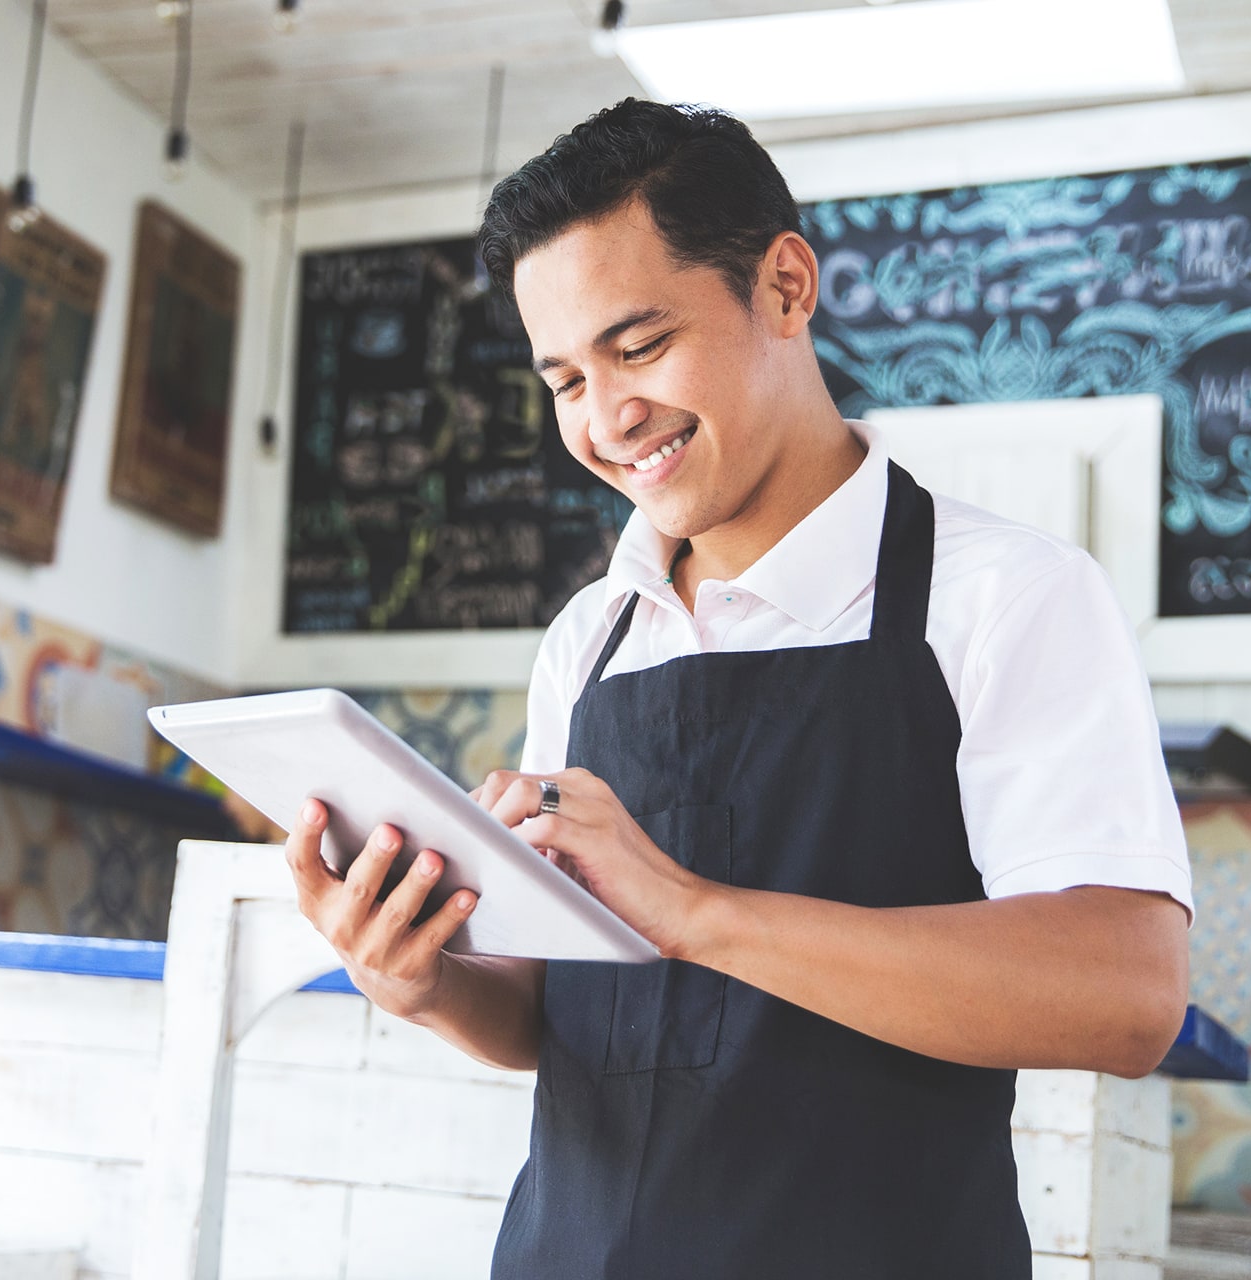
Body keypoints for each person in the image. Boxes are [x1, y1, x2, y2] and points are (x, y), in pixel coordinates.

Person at [283, 99, 1191, 1278]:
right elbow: (559, 1021)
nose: (607, 420)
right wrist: (423, 978)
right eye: (563, 379)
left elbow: (1125, 994)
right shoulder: (589, 638)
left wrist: (699, 912)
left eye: (640, 345)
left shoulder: (1009, 598)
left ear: (785, 286)